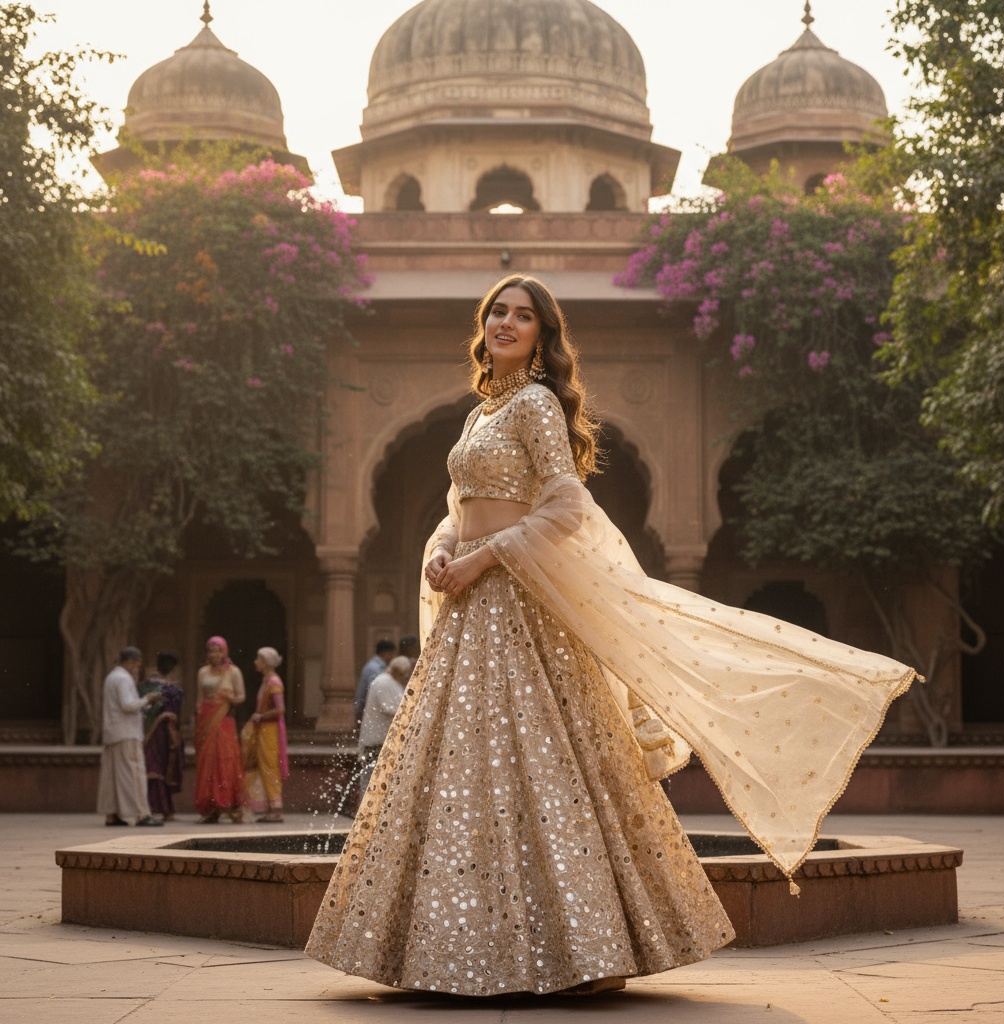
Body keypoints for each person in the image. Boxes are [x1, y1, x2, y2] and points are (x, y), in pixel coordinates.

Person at [306, 275, 918, 996]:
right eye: (497, 312)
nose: (506, 323)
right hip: (473, 613)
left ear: (542, 335)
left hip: (519, 609)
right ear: (484, 325)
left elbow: (565, 504)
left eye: (523, 315)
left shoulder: (534, 404)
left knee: (547, 767)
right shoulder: (480, 415)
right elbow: (459, 507)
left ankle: (582, 951)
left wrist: (482, 557)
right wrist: (444, 549)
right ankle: (453, 950)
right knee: (465, 774)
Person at [97, 647, 163, 827]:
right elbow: (128, 705)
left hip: (114, 733)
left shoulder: (112, 677)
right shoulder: (123, 678)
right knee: (133, 775)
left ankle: (113, 814)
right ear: (132, 661)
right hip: (126, 734)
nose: (138, 666)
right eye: (137, 663)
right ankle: (141, 815)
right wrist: (147, 699)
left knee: (114, 776)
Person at [194, 635, 246, 824]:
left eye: (218, 650)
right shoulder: (202, 672)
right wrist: (200, 715)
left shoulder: (233, 672)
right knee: (206, 763)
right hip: (206, 722)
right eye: (211, 650)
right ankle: (209, 808)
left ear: (225, 652)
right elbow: (199, 698)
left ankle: (225, 806)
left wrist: (229, 698)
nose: (214, 654)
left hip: (224, 721)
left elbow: (241, 697)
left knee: (224, 762)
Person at [243, 646, 289, 822]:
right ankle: (270, 806)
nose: (256, 662)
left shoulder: (274, 683)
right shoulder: (267, 681)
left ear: (266, 662)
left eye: (258, 659)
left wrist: (261, 716)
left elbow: (280, 709)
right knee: (264, 766)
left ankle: (276, 808)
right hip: (264, 730)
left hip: (270, 731)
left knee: (270, 767)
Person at [356, 655, 412, 799]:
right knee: (371, 781)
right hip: (376, 741)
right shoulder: (383, 682)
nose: (406, 677)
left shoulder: (391, 682)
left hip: (384, 741)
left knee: (382, 781)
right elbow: (391, 708)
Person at [138, 651, 185, 822]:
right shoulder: (174, 689)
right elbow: (175, 714)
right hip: (164, 732)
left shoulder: (144, 687)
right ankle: (164, 810)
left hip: (151, 732)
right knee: (159, 769)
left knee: (153, 768)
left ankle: (151, 808)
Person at [353, 638, 396, 728]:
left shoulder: (375, 666)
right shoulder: (375, 669)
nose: (393, 657)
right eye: (391, 654)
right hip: (369, 711)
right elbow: (377, 693)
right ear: (384, 653)